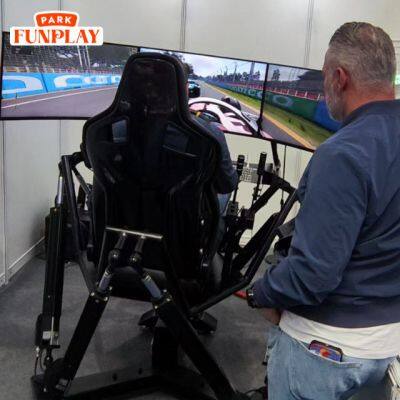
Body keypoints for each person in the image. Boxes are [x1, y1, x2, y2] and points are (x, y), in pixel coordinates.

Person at [248, 22, 400, 400]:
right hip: (388, 342)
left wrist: (261, 292)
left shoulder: (342, 154)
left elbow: (312, 276)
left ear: (339, 78)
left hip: (325, 347)